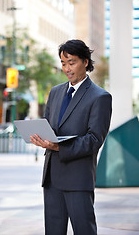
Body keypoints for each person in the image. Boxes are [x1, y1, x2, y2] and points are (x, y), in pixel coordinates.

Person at [30, 39, 112, 235]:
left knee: (84, 230)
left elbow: (94, 140)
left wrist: (59, 147)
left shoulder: (100, 97)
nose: (67, 68)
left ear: (85, 62)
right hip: (52, 178)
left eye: (72, 62)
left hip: (78, 178)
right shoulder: (56, 92)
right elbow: (49, 127)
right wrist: (40, 137)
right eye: (63, 63)